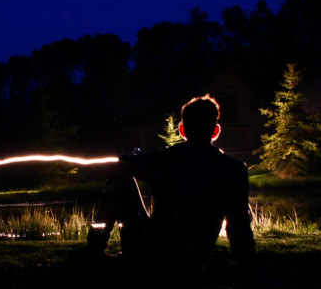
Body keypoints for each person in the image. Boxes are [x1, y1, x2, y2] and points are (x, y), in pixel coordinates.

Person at [86, 94, 257, 278]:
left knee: (119, 179)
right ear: (216, 131)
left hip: (152, 253)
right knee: (120, 174)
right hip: (192, 261)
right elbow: (239, 229)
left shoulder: (166, 159)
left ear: (182, 130)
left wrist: (130, 164)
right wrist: (253, 273)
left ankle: (94, 250)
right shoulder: (233, 170)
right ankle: (118, 257)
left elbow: (122, 163)